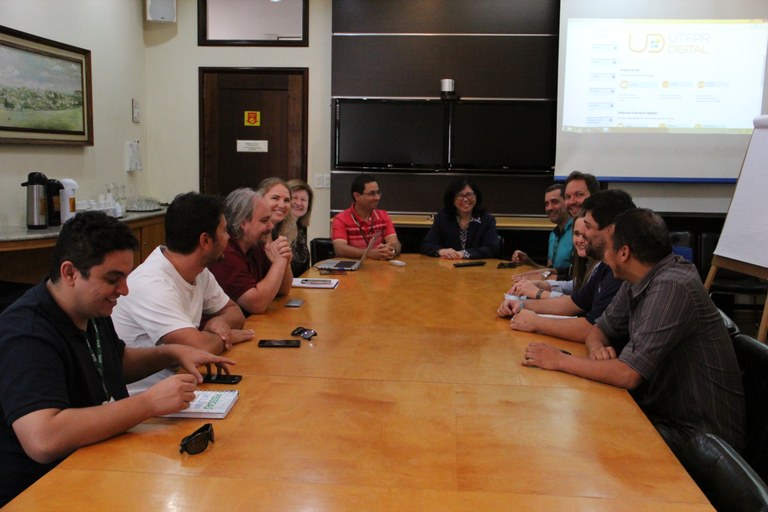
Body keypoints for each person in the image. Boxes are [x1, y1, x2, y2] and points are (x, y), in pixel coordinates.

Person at [0, 211, 235, 505]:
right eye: (114, 279)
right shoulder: (27, 333)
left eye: (126, 277)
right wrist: (149, 403)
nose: (124, 290)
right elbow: (43, 438)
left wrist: (170, 353)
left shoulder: (91, 307)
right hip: (40, 491)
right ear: (70, 273)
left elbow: (113, 363)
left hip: (96, 462)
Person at [521, 208, 745, 457]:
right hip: (664, 417)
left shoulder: (672, 287)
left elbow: (628, 375)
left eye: (607, 248)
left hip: (699, 439)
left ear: (624, 253)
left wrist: (560, 360)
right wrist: (597, 350)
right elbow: (598, 330)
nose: (604, 256)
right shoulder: (637, 278)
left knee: (575, 445)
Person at [112, 192, 253, 394]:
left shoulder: (199, 270)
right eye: (223, 231)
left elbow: (234, 312)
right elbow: (199, 349)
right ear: (205, 241)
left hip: (182, 384)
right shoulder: (152, 284)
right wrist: (223, 335)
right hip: (145, 400)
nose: (228, 237)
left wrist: (217, 324)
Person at [497, 190, 635, 343]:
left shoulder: (621, 273)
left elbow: (591, 328)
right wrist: (521, 304)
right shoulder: (605, 265)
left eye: (588, 227)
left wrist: (536, 322)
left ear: (611, 230)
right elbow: (573, 303)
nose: (584, 236)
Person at [209, 188, 293, 314]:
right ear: (243, 223)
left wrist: (284, 260)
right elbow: (256, 304)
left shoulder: (255, 245)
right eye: (264, 220)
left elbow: (282, 290)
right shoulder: (225, 253)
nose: (271, 226)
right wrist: (279, 262)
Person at [508, 216, 596, 299]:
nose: (580, 240)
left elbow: (579, 302)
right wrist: (540, 282)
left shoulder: (601, 267)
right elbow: (573, 284)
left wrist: (538, 291)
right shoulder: (553, 234)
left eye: (585, 235)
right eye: (576, 234)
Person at [420, 177, 500, 259]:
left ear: (476, 196)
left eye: (469, 195)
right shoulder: (443, 218)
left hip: (477, 268)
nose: (465, 199)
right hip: (448, 267)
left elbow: (492, 248)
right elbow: (426, 244)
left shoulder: (486, 219)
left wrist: (464, 254)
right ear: (452, 199)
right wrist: (441, 251)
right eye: (460, 195)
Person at [331, 174, 402, 260]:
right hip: (352, 270)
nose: (377, 197)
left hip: (379, 269)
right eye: (372, 194)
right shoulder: (341, 219)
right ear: (357, 196)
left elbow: (395, 243)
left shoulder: (383, 216)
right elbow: (340, 249)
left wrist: (392, 250)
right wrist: (370, 253)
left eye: (378, 192)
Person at [511, 184, 572, 270]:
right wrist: (528, 262)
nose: (549, 208)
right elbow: (549, 271)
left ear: (567, 202)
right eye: (547, 204)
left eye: (554, 202)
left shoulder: (578, 233)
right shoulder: (553, 235)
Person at [287, 179, 314, 276]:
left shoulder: (300, 228)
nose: (299, 203)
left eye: (303, 200)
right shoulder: (276, 229)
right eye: (294, 198)